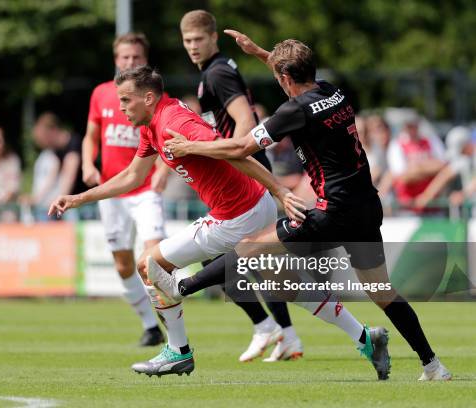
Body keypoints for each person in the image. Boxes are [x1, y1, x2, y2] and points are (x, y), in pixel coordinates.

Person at [49, 65, 390, 379]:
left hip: (237, 215)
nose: (121, 107)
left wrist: (279, 190)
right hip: (250, 207)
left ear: (148, 98)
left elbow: (235, 152)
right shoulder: (152, 126)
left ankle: (178, 351)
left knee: (149, 264)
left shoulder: (174, 123)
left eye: (126, 100)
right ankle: (365, 337)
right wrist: (78, 198)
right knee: (288, 286)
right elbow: (132, 177)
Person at [163, 32, 451, 381]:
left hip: (335, 212)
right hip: (366, 206)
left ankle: (181, 288)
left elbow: (240, 148)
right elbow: (292, 69)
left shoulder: (293, 111)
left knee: (251, 248)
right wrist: (260, 53)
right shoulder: (333, 91)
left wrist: (190, 148)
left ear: (284, 78)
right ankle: (432, 365)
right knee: (381, 291)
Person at [180, 10, 303, 362]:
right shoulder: (215, 72)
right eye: (187, 41)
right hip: (250, 174)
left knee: (226, 262)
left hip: (247, 176)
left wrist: (229, 161)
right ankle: (285, 334)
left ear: (213, 37)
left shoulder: (216, 73)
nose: (192, 47)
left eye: (198, 39)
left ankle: (268, 327)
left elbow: (245, 123)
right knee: (254, 261)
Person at [81, 32, 167, 347]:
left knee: (154, 259)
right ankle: (150, 325)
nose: (130, 62)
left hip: (144, 189)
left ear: (145, 61)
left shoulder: (153, 97)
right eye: (124, 58)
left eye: (136, 58)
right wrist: (87, 165)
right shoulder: (101, 94)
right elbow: (90, 135)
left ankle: (172, 322)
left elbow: (169, 136)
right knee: (123, 264)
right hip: (112, 191)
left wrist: (164, 168)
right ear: (116, 60)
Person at [386, 113, 446, 214]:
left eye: (414, 125)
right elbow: (403, 177)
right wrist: (430, 171)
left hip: (433, 205)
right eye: (409, 126)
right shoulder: (397, 144)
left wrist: (417, 168)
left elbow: (443, 166)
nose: (412, 129)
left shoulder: (431, 140)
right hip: (408, 206)